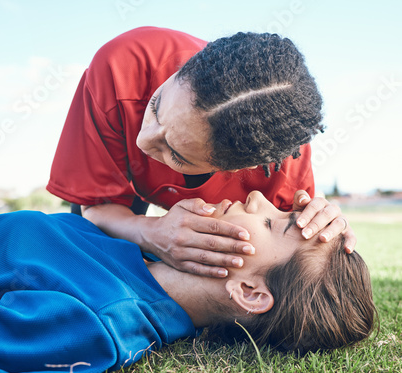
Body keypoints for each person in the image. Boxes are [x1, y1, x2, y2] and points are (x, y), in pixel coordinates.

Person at [0, 191, 375, 373]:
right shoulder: (145, 248)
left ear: (250, 292)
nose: (255, 196)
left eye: (273, 222)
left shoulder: (97, 322)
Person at [47, 27, 356, 278]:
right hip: (110, 216)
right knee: (88, 252)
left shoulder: (281, 165)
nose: (142, 141)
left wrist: (330, 232)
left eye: (176, 154)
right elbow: (96, 207)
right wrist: (151, 231)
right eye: (155, 107)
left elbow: (297, 260)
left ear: (242, 168)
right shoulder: (124, 64)